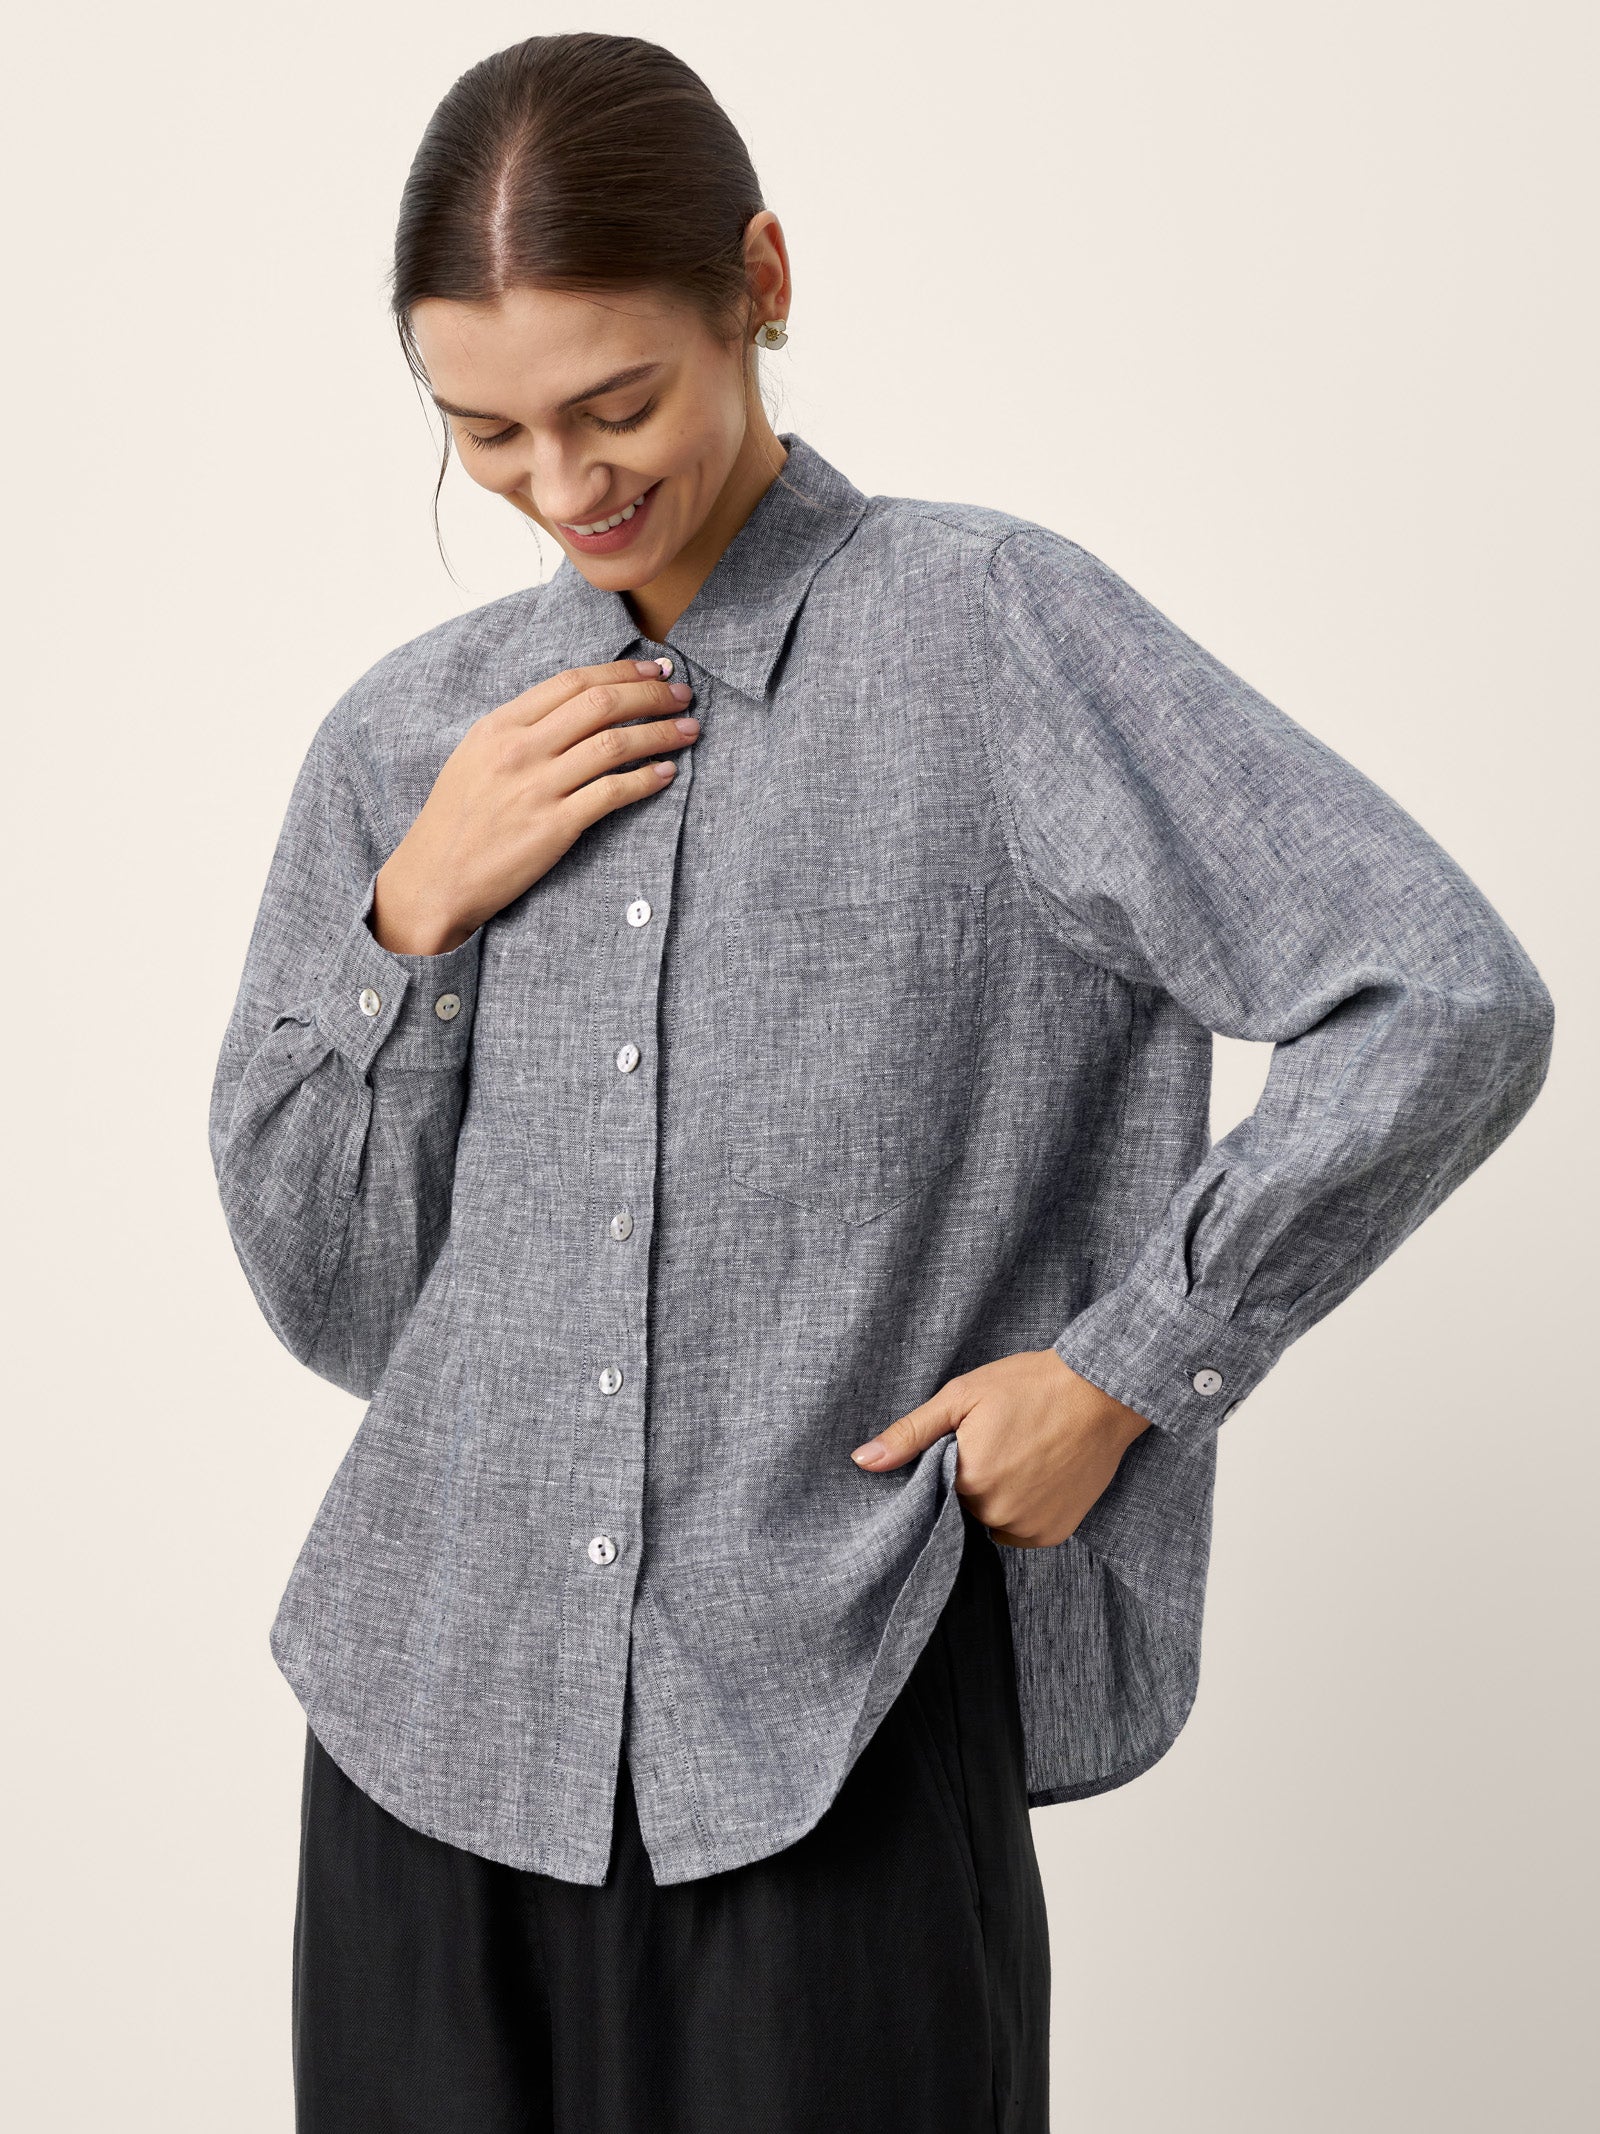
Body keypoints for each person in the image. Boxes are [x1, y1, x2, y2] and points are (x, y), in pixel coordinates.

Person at [207, 30, 1555, 2134]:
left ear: (758, 278)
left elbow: (1441, 995)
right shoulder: (414, 740)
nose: (564, 485)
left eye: (614, 403)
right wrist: (410, 923)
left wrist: (1126, 1369)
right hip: (427, 1740)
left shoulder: (992, 636)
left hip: (826, 1724)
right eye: (484, 433)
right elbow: (340, 1304)